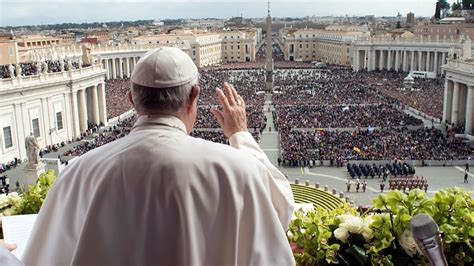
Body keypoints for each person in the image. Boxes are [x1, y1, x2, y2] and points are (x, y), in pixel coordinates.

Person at [22, 47, 294, 265]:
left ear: (131, 100)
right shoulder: (237, 169)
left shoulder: (79, 172)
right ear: (193, 96)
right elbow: (281, 208)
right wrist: (240, 135)